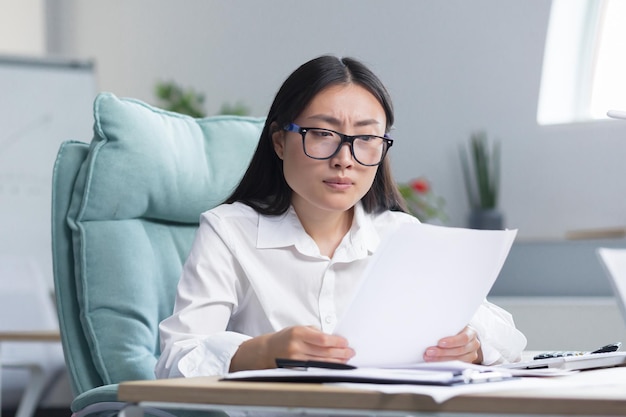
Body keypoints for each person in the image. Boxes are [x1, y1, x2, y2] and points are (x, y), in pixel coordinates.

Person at [155, 55, 526, 379]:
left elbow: (506, 336)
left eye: (366, 138)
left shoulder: (399, 234)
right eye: (322, 133)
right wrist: (263, 352)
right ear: (279, 141)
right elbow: (176, 360)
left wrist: (472, 344)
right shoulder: (229, 231)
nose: (345, 159)